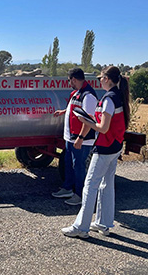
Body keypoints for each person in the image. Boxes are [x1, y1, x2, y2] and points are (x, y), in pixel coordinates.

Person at [62, 66, 130, 238]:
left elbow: (103, 128)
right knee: (106, 185)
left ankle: (81, 228)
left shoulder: (109, 99)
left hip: (105, 148)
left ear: (107, 79)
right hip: (114, 146)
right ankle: (103, 223)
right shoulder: (117, 96)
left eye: (101, 77)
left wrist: (85, 121)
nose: (99, 80)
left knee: (90, 186)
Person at [51, 68, 99, 205]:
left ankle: (80, 195)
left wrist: (80, 138)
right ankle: (67, 188)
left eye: (69, 80)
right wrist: (64, 112)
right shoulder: (77, 93)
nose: (69, 83)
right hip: (70, 137)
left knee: (79, 167)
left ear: (74, 79)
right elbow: (76, 109)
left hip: (81, 140)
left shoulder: (88, 96)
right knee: (69, 164)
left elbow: (89, 120)